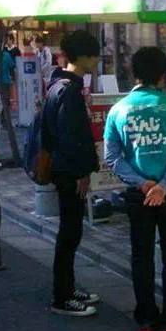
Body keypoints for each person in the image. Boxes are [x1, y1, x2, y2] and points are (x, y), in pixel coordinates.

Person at [104, 46, 166, 331]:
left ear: (134, 73)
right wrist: (163, 185)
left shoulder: (118, 109)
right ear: (164, 75)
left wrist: (142, 184)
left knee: (141, 256)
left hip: (137, 195)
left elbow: (113, 157)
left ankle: (145, 318)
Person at [43, 30, 101, 316]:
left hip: (63, 168)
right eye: (94, 55)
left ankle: (67, 288)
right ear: (84, 56)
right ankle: (62, 297)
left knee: (70, 232)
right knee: (70, 233)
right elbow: (70, 136)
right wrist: (82, 172)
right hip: (69, 171)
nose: (97, 61)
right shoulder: (68, 90)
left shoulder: (58, 84)